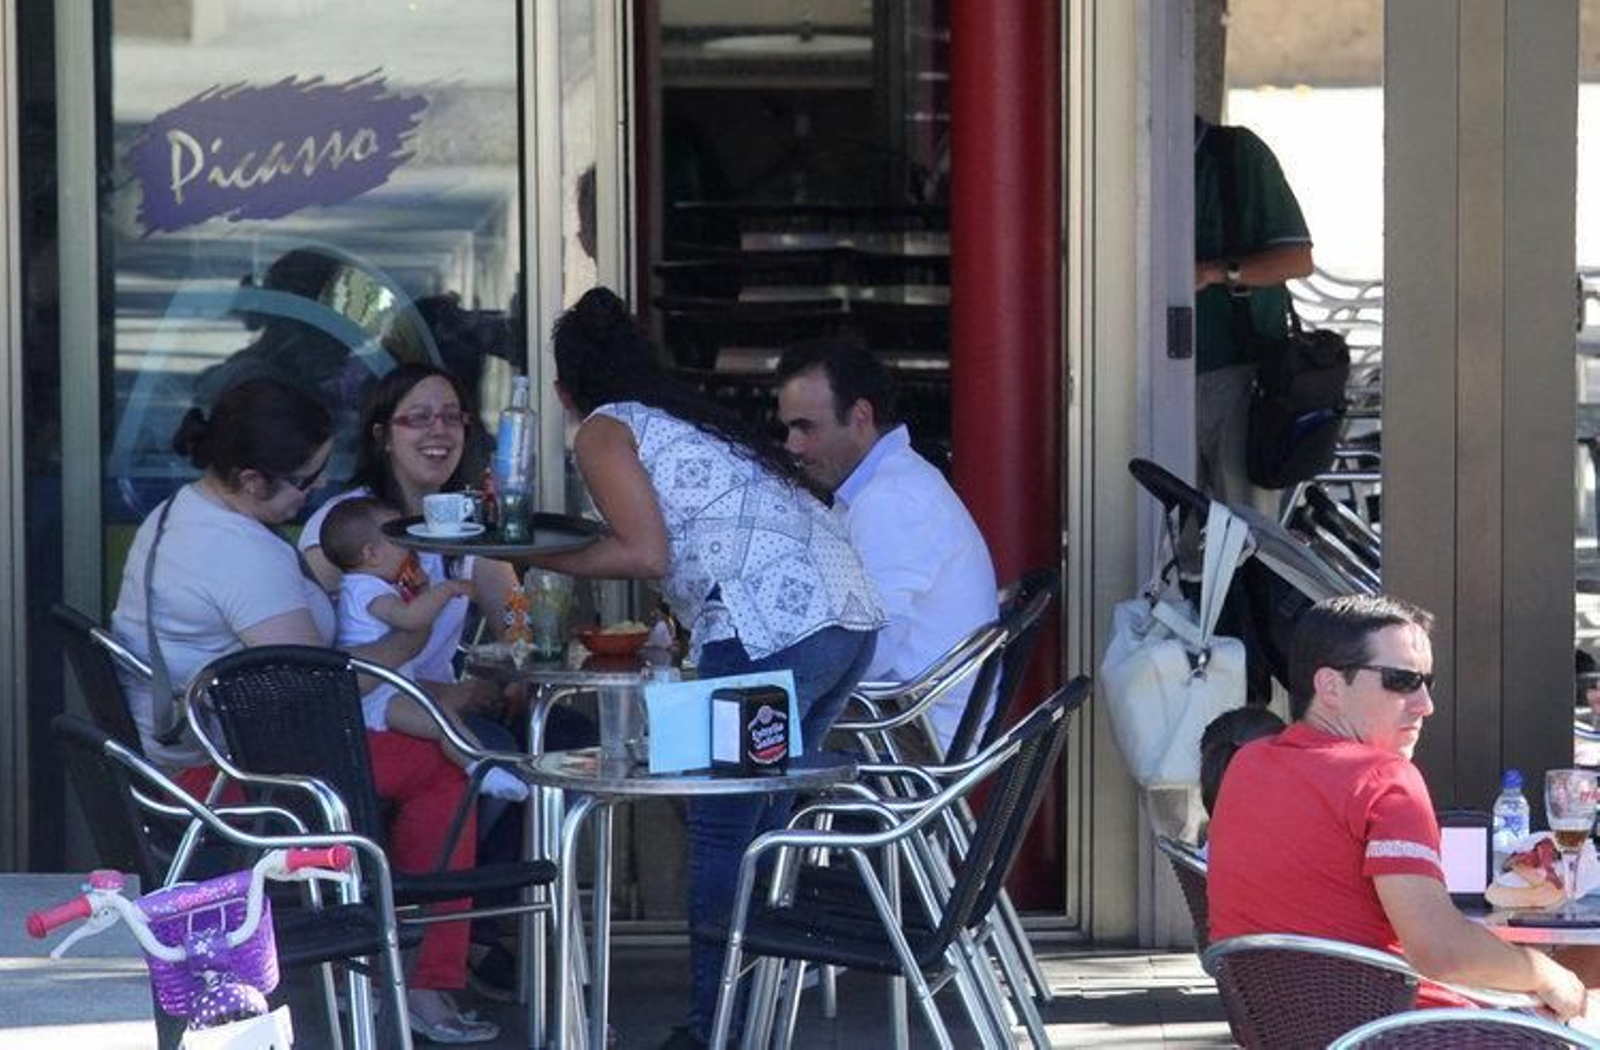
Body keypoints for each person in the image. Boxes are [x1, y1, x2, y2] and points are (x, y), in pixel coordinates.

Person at [525, 287, 884, 1049]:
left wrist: (532, 553)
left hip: (764, 627)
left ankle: (712, 1028)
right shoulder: (675, 417)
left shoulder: (602, 429)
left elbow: (643, 553)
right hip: (843, 618)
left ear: (563, 391)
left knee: (723, 832)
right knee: (765, 827)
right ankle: (754, 1021)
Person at [109, 378, 497, 1041]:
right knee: (447, 772)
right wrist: (406, 640)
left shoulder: (184, 514)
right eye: (303, 482)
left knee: (436, 750)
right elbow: (313, 697)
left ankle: (392, 962)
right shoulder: (239, 553)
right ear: (253, 479)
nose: (313, 493)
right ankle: (420, 982)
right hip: (236, 778)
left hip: (195, 752)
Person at [1207, 593, 1591, 1019]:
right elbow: (1440, 951)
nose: (1426, 705)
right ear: (1330, 686)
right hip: (1407, 1030)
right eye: (1401, 681)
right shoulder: (1383, 779)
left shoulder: (1247, 764)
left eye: (1428, 682)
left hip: (1291, 1027)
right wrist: (1546, 974)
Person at [775, 336, 998, 753]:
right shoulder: (888, 486)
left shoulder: (891, 501)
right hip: (901, 722)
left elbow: (867, 653)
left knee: (718, 742)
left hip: (905, 735)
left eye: (806, 427)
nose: (792, 446)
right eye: (788, 428)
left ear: (860, 416)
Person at [320, 496, 529, 803]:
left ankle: (484, 768)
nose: (409, 548)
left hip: (390, 690)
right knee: (443, 722)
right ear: (371, 554)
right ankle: (482, 770)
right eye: (397, 541)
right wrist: (444, 590)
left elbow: (516, 618)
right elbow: (410, 619)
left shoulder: (370, 585)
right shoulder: (365, 587)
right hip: (377, 698)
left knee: (445, 720)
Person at [1193, 115, 1314, 512]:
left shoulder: (1234, 155)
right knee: (1168, 539)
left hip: (1238, 373)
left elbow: (1296, 259)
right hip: (1143, 380)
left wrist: (1213, 272)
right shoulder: (1115, 163)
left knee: (1249, 533)